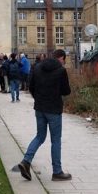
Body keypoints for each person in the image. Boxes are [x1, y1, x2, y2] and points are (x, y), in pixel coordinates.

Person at [17, 49, 72, 182]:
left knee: (40, 136)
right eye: (64, 60)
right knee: (56, 140)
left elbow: (31, 86)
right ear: (62, 58)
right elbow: (66, 91)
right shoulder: (61, 71)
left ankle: (26, 161)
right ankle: (57, 172)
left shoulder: (37, 67)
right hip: (54, 109)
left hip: (40, 108)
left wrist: (38, 98)